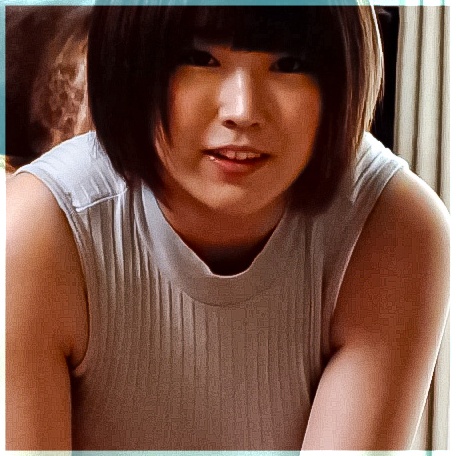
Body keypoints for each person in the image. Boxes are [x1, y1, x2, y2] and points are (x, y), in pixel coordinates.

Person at [6, 4, 450, 451]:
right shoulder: (38, 231)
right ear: (128, 64)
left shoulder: (390, 227)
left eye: (289, 64)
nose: (243, 110)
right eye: (200, 58)